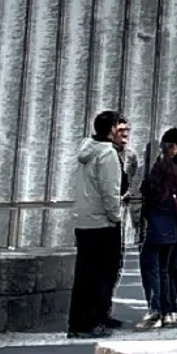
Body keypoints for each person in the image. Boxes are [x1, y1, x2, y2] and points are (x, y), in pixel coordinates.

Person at [66, 106, 133, 336]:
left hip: (84, 221)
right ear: (111, 129)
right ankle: (90, 323)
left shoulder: (87, 149)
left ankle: (81, 322)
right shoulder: (107, 154)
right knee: (102, 274)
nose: (120, 130)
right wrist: (115, 218)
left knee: (85, 274)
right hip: (103, 224)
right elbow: (110, 191)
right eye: (117, 126)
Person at [138, 129, 177, 328]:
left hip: (176, 222)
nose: (169, 150)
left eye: (171, 146)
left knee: (170, 267)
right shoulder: (164, 164)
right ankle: (167, 308)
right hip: (175, 221)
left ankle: (167, 308)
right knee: (168, 268)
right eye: (166, 146)